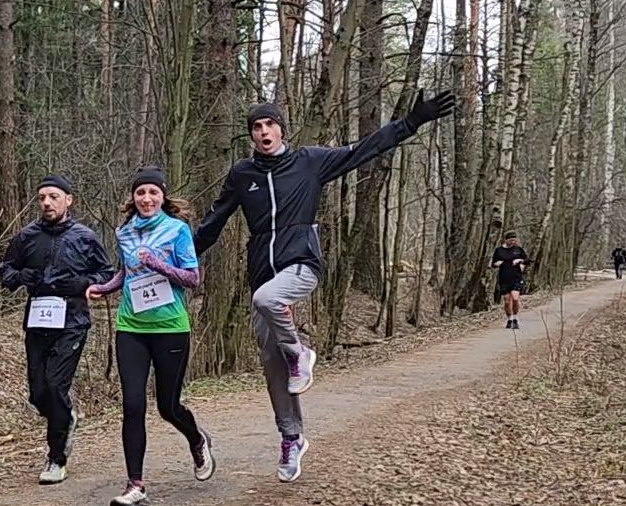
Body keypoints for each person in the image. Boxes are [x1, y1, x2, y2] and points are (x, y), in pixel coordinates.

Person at [192, 90, 456, 483]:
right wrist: (178, 258)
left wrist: (411, 122)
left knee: (268, 301)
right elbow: (213, 222)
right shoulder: (242, 175)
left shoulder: (309, 162)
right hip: (262, 271)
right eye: (257, 127)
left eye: (270, 124)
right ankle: (292, 437)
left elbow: (364, 150)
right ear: (251, 135)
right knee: (273, 367)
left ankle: (300, 352)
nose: (264, 132)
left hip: (301, 263)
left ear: (282, 129)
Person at [86, 167, 213, 506]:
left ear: (162, 196)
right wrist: (104, 288)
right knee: (132, 405)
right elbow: (126, 272)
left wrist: (158, 264)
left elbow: (192, 278)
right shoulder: (124, 231)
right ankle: (135, 485)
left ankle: (197, 438)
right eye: (140, 192)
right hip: (131, 327)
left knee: (168, 407)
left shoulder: (177, 230)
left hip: (170, 326)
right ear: (133, 197)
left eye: (153, 192)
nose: (146, 199)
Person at [0, 174, 114, 485]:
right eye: (42, 198)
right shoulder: (27, 236)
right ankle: (66, 417)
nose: (47, 203)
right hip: (38, 321)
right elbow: (6, 271)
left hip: (72, 322)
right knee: (38, 393)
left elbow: (106, 274)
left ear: (68, 200)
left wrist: (82, 284)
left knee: (54, 385)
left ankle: (56, 458)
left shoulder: (85, 237)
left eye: (53, 197)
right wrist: (23, 277)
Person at [491, 232, 530, 329]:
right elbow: (493, 264)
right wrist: (497, 263)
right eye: (511, 240)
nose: (513, 242)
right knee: (507, 301)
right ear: (506, 240)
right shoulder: (499, 250)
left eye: (514, 240)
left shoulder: (518, 250)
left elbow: (527, 260)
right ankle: (509, 319)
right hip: (504, 278)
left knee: (515, 298)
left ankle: (515, 318)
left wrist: (520, 261)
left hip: (516, 277)